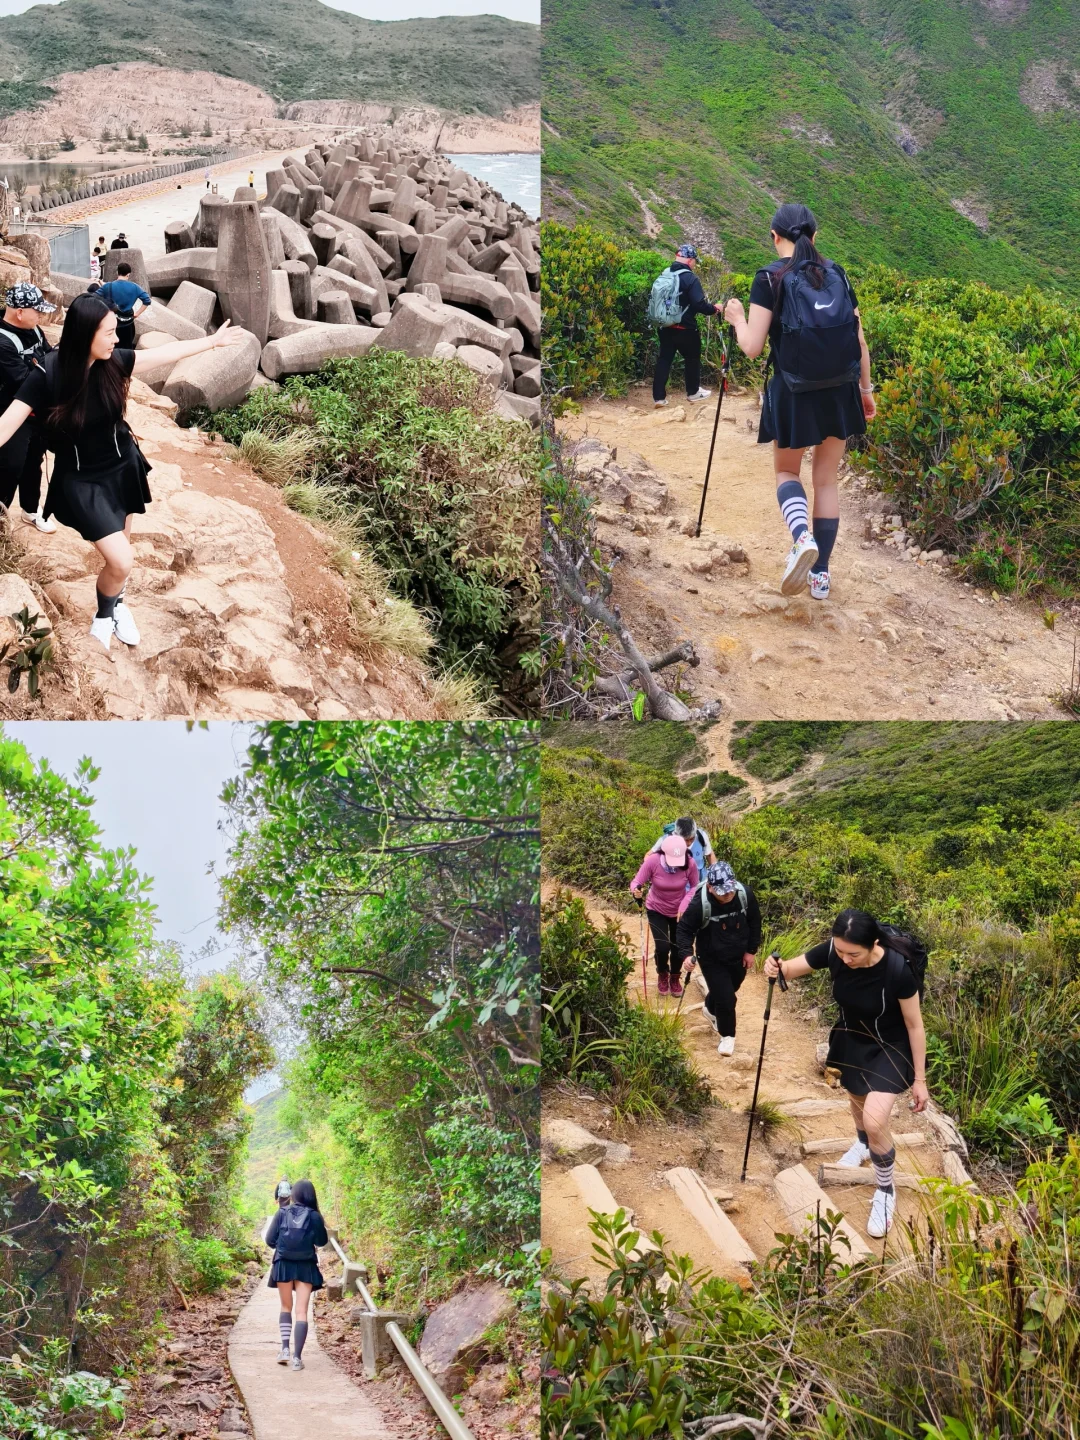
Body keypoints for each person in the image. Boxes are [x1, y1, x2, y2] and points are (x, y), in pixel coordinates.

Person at [0, 294, 246, 650]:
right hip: (82, 479)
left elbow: (164, 355)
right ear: (86, 335)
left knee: (121, 558)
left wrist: (212, 341)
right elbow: (6, 425)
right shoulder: (46, 375)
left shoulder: (112, 362)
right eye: (110, 333)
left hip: (122, 467)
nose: (117, 340)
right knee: (121, 559)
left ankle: (112, 609)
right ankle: (106, 613)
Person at [724, 203, 876, 600]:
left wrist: (737, 318)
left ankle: (801, 535)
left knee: (787, 475)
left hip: (795, 392)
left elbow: (753, 348)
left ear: (775, 236)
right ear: (814, 234)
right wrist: (865, 391)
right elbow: (859, 341)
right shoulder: (836, 273)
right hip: (842, 391)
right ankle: (820, 576)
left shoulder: (769, 278)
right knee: (825, 479)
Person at [763, 909, 929, 1238]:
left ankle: (885, 1192)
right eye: (840, 952)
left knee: (875, 1117)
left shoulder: (897, 971)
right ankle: (864, 1145)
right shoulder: (834, 951)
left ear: (873, 944)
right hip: (851, 1038)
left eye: (853, 953)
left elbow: (914, 1024)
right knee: (855, 1097)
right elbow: (791, 970)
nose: (845, 959)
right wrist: (775, 968)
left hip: (890, 1046)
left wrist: (920, 1080)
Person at [675, 861, 761, 1057]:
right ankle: (727, 1036)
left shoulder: (744, 895)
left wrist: (751, 951)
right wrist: (687, 954)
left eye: (729, 891)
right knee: (727, 998)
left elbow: (755, 922)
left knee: (730, 988)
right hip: (711, 957)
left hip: (738, 954)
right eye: (722, 892)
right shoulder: (700, 903)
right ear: (710, 887)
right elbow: (684, 930)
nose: (727, 895)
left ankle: (709, 1008)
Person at [0, 283, 56, 534]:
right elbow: (22, 380)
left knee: (34, 461)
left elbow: (47, 355)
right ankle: (1, 516)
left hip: (36, 411)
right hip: (11, 413)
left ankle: (31, 510)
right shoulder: (2, 342)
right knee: (11, 465)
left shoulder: (32, 328)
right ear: (20, 312)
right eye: (37, 310)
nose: (41, 316)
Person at [265, 1179, 327, 1372]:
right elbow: (322, 1241)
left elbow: (269, 1240)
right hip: (306, 1266)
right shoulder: (314, 1216)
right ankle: (297, 1358)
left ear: (294, 1194)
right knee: (301, 1311)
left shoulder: (282, 1212)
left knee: (285, 1306)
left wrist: (284, 1247)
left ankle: (284, 1349)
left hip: (283, 1264)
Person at [651, 243, 722, 409]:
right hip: (685, 329)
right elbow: (699, 305)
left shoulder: (665, 274)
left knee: (664, 359)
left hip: (665, 326)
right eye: (694, 261)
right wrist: (715, 309)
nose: (695, 264)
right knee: (692, 359)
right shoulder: (690, 278)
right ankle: (693, 392)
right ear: (690, 260)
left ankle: (659, 398)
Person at [630, 834, 699, 998]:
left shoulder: (690, 863)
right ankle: (663, 973)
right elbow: (636, 881)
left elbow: (695, 886)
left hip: (679, 911)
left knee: (678, 947)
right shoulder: (653, 861)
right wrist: (636, 891)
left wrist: (684, 903)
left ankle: (675, 977)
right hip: (656, 909)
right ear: (664, 853)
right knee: (662, 947)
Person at [96, 263, 151, 348]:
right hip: (128, 324)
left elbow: (93, 297)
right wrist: (137, 313)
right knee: (127, 348)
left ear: (117, 272)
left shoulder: (108, 286)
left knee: (112, 348)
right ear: (128, 274)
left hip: (112, 323)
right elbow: (147, 300)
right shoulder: (135, 287)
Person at [651, 815, 715, 877]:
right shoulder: (666, 840)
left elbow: (709, 855)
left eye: (692, 839)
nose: (689, 843)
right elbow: (649, 856)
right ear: (676, 834)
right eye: (685, 840)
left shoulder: (701, 835)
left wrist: (716, 875)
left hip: (700, 881)